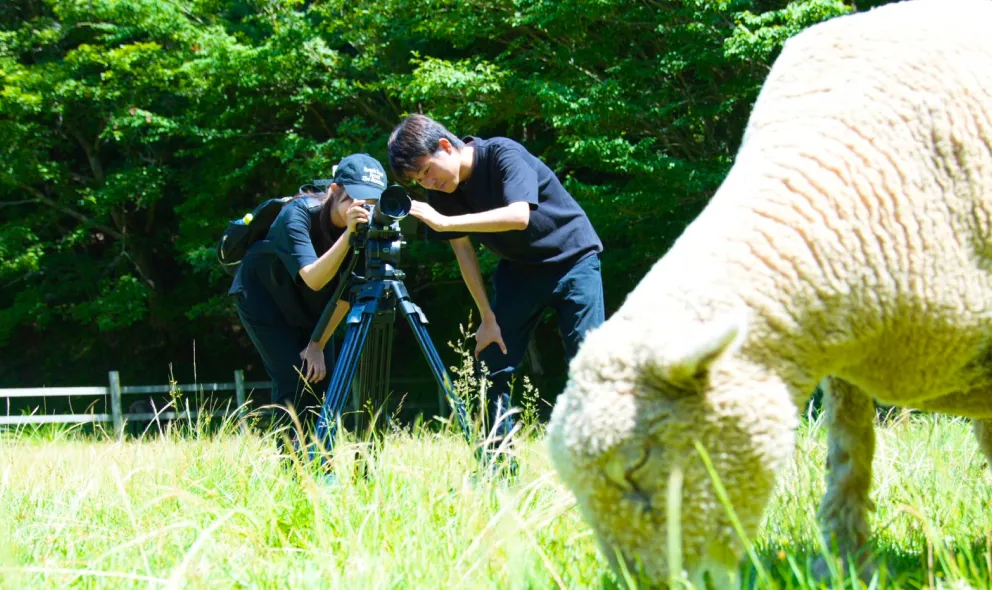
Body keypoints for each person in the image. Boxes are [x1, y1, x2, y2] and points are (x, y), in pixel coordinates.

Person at [387, 114, 605, 448]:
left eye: (427, 171)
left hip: (574, 259)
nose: (428, 183)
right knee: (491, 359)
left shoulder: (503, 153)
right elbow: (464, 253)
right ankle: (497, 463)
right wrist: (486, 317)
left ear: (445, 146)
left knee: (588, 360)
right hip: (520, 270)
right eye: (419, 181)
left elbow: (519, 216)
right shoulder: (442, 194)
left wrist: (446, 223)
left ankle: (600, 454)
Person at [229, 153, 388, 446]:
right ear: (334, 190)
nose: (363, 210)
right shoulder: (298, 214)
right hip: (264, 297)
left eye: (372, 203)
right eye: (356, 200)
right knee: (292, 378)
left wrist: (317, 344)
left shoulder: (368, 231)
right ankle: (293, 464)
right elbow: (312, 278)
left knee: (323, 382)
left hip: (313, 305)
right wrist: (349, 236)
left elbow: (345, 296)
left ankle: (321, 463)